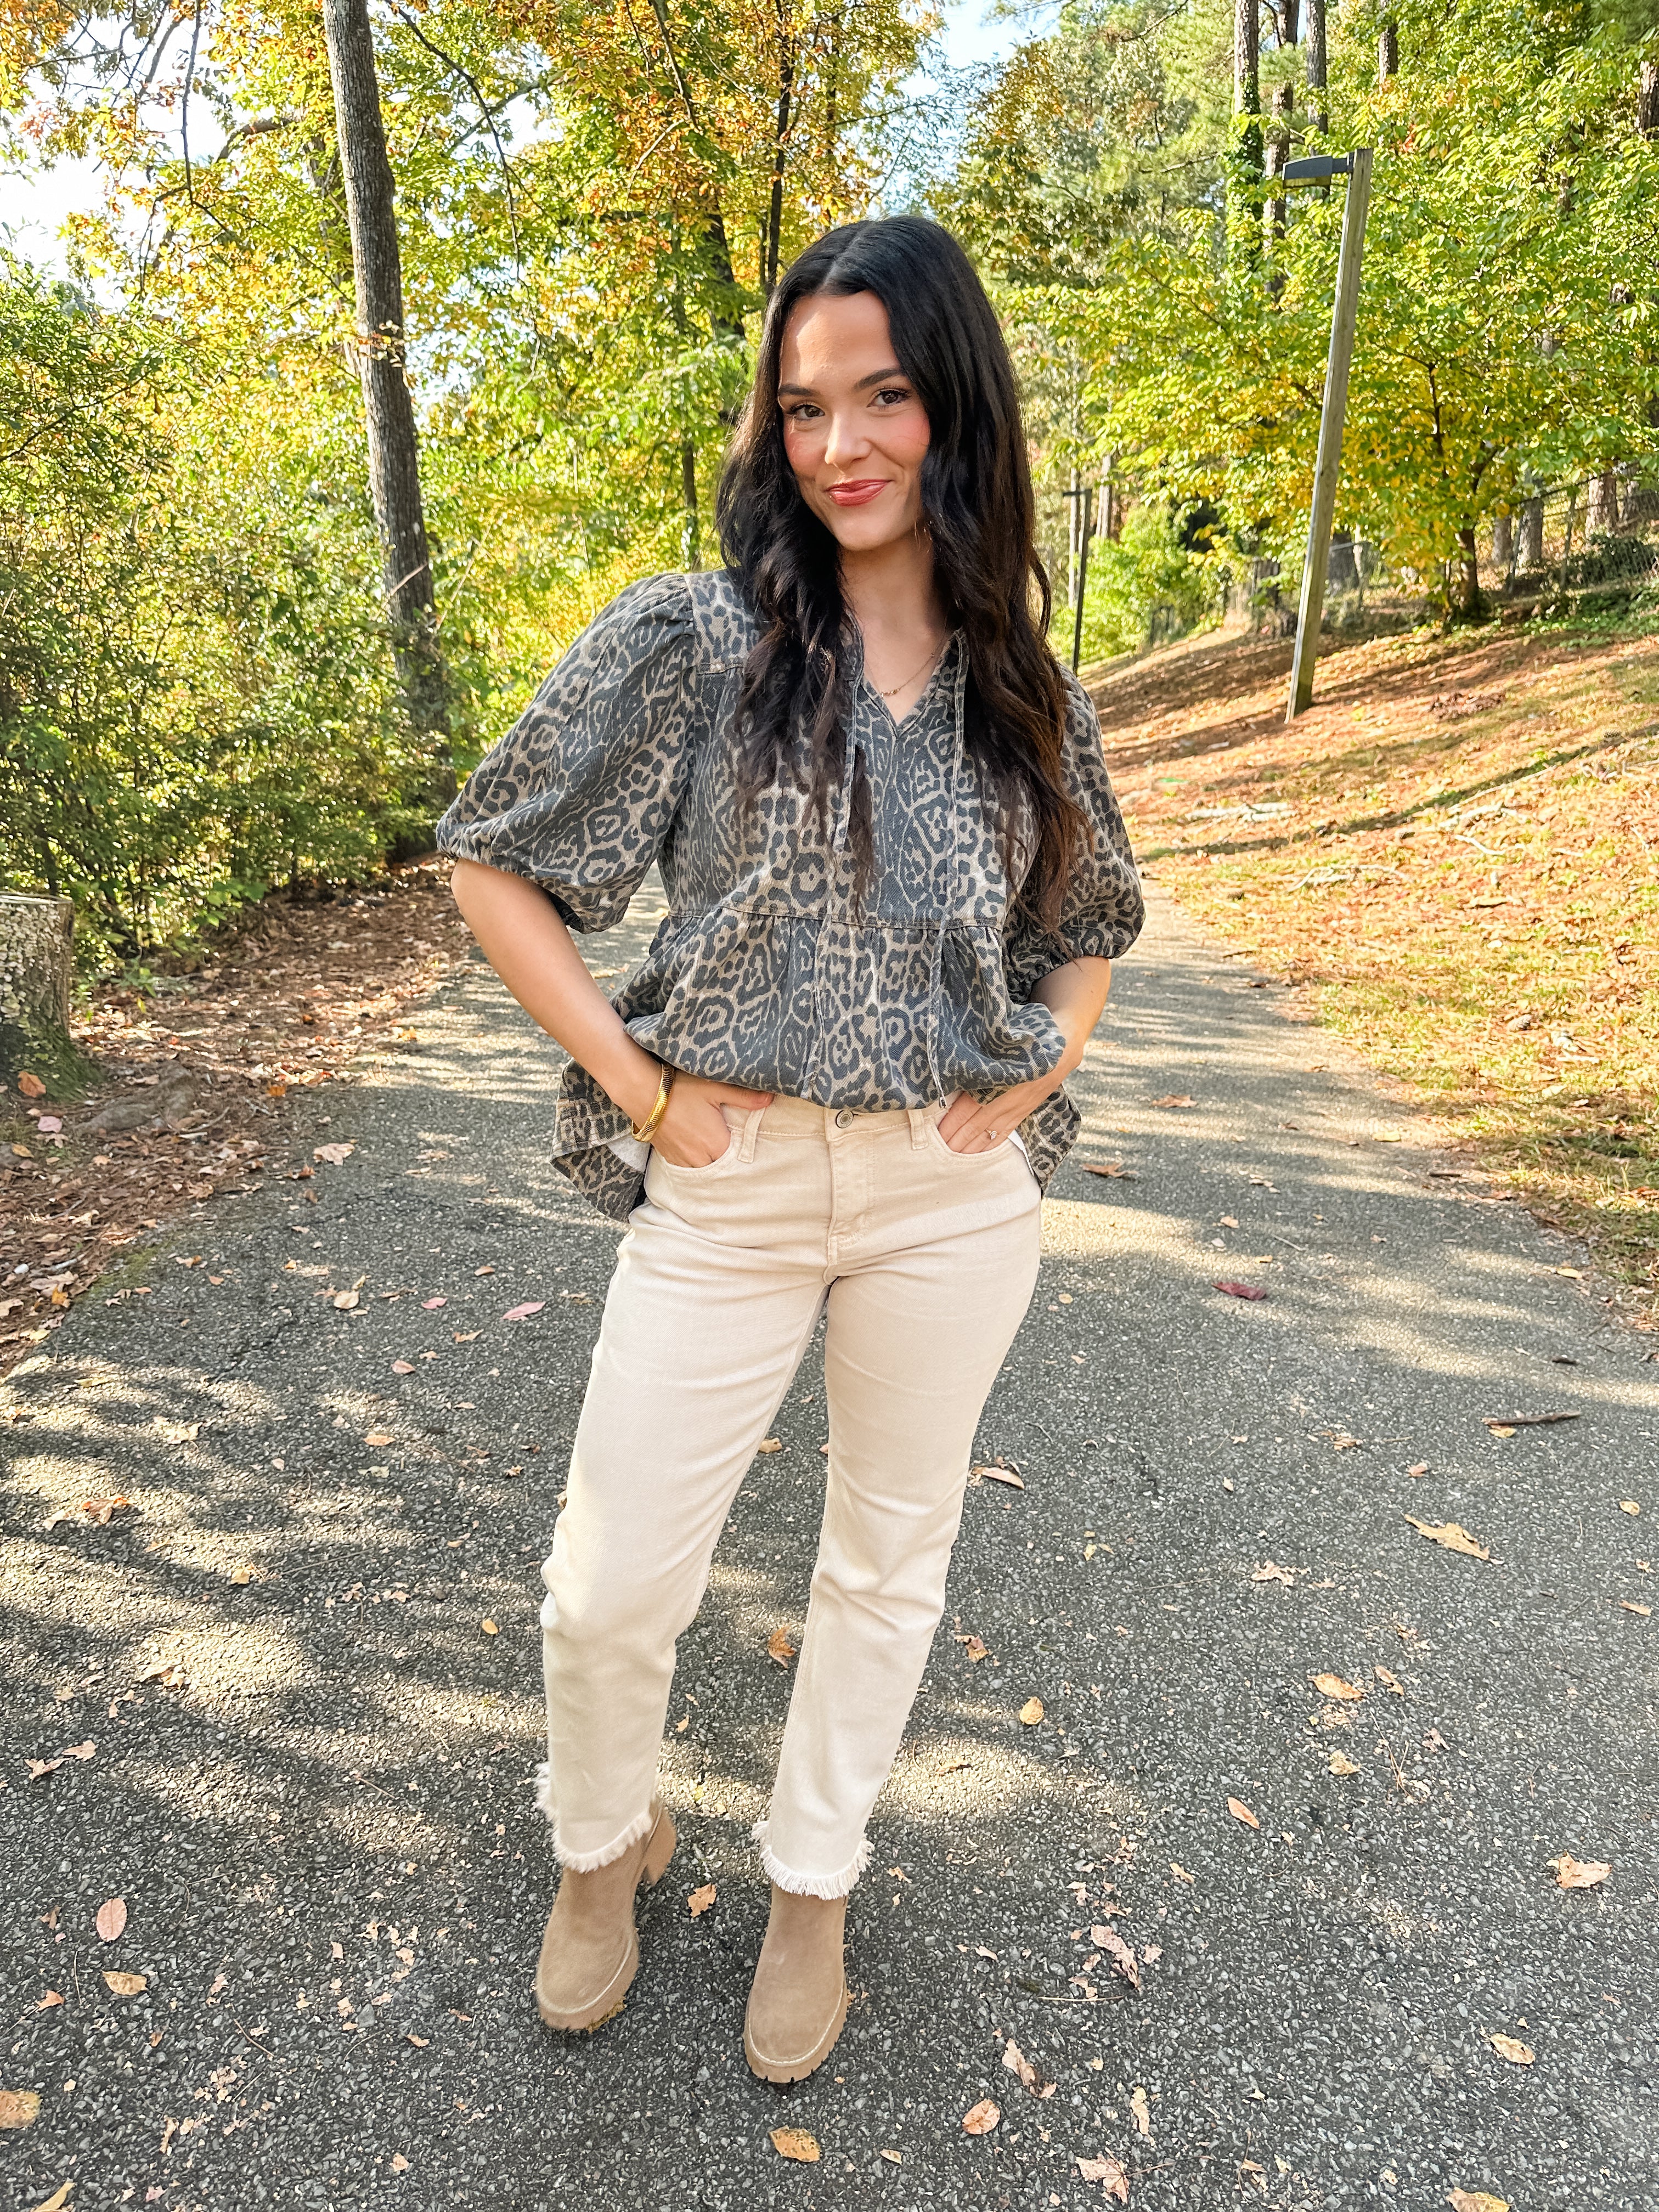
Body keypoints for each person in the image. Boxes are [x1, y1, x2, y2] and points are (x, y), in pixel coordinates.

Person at [438, 214, 1143, 2084]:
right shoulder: (701, 635)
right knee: (608, 1581)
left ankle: (811, 1885)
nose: (841, 442)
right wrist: (650, 1091)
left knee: (884, 1562)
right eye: (806, 403)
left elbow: (1092, 923)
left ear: (955, 408)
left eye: (885, 395)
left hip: (946, 1194)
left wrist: (1031, 1076)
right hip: (727, 1183)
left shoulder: (1027, 683)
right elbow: (492, 858)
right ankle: (606, 1848)